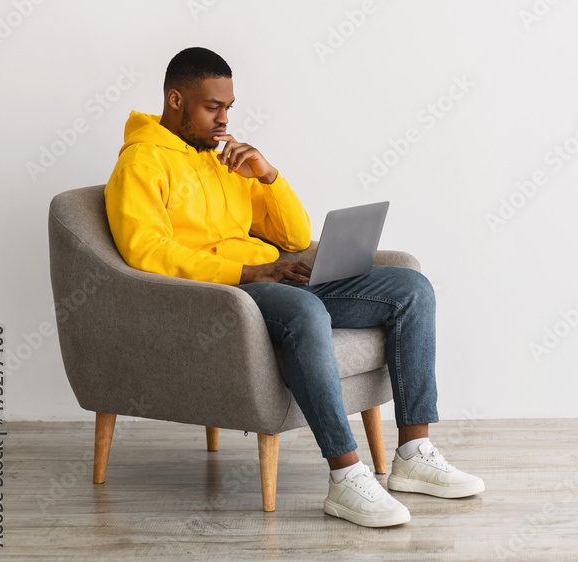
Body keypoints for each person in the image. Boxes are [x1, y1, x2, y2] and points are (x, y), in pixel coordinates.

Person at [104, 46, 483, 527]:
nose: (224, 120)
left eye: (229, 107)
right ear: (175, 100)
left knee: (411, 288)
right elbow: (146, 253)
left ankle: (414, 452)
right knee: (308, 314)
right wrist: (247, 273)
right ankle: (345, 477)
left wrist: (267, 174)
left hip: (274, 278)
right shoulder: (140, 164)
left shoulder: (223, 158)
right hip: (224, 294)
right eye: (212, 107)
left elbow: (295, 236)